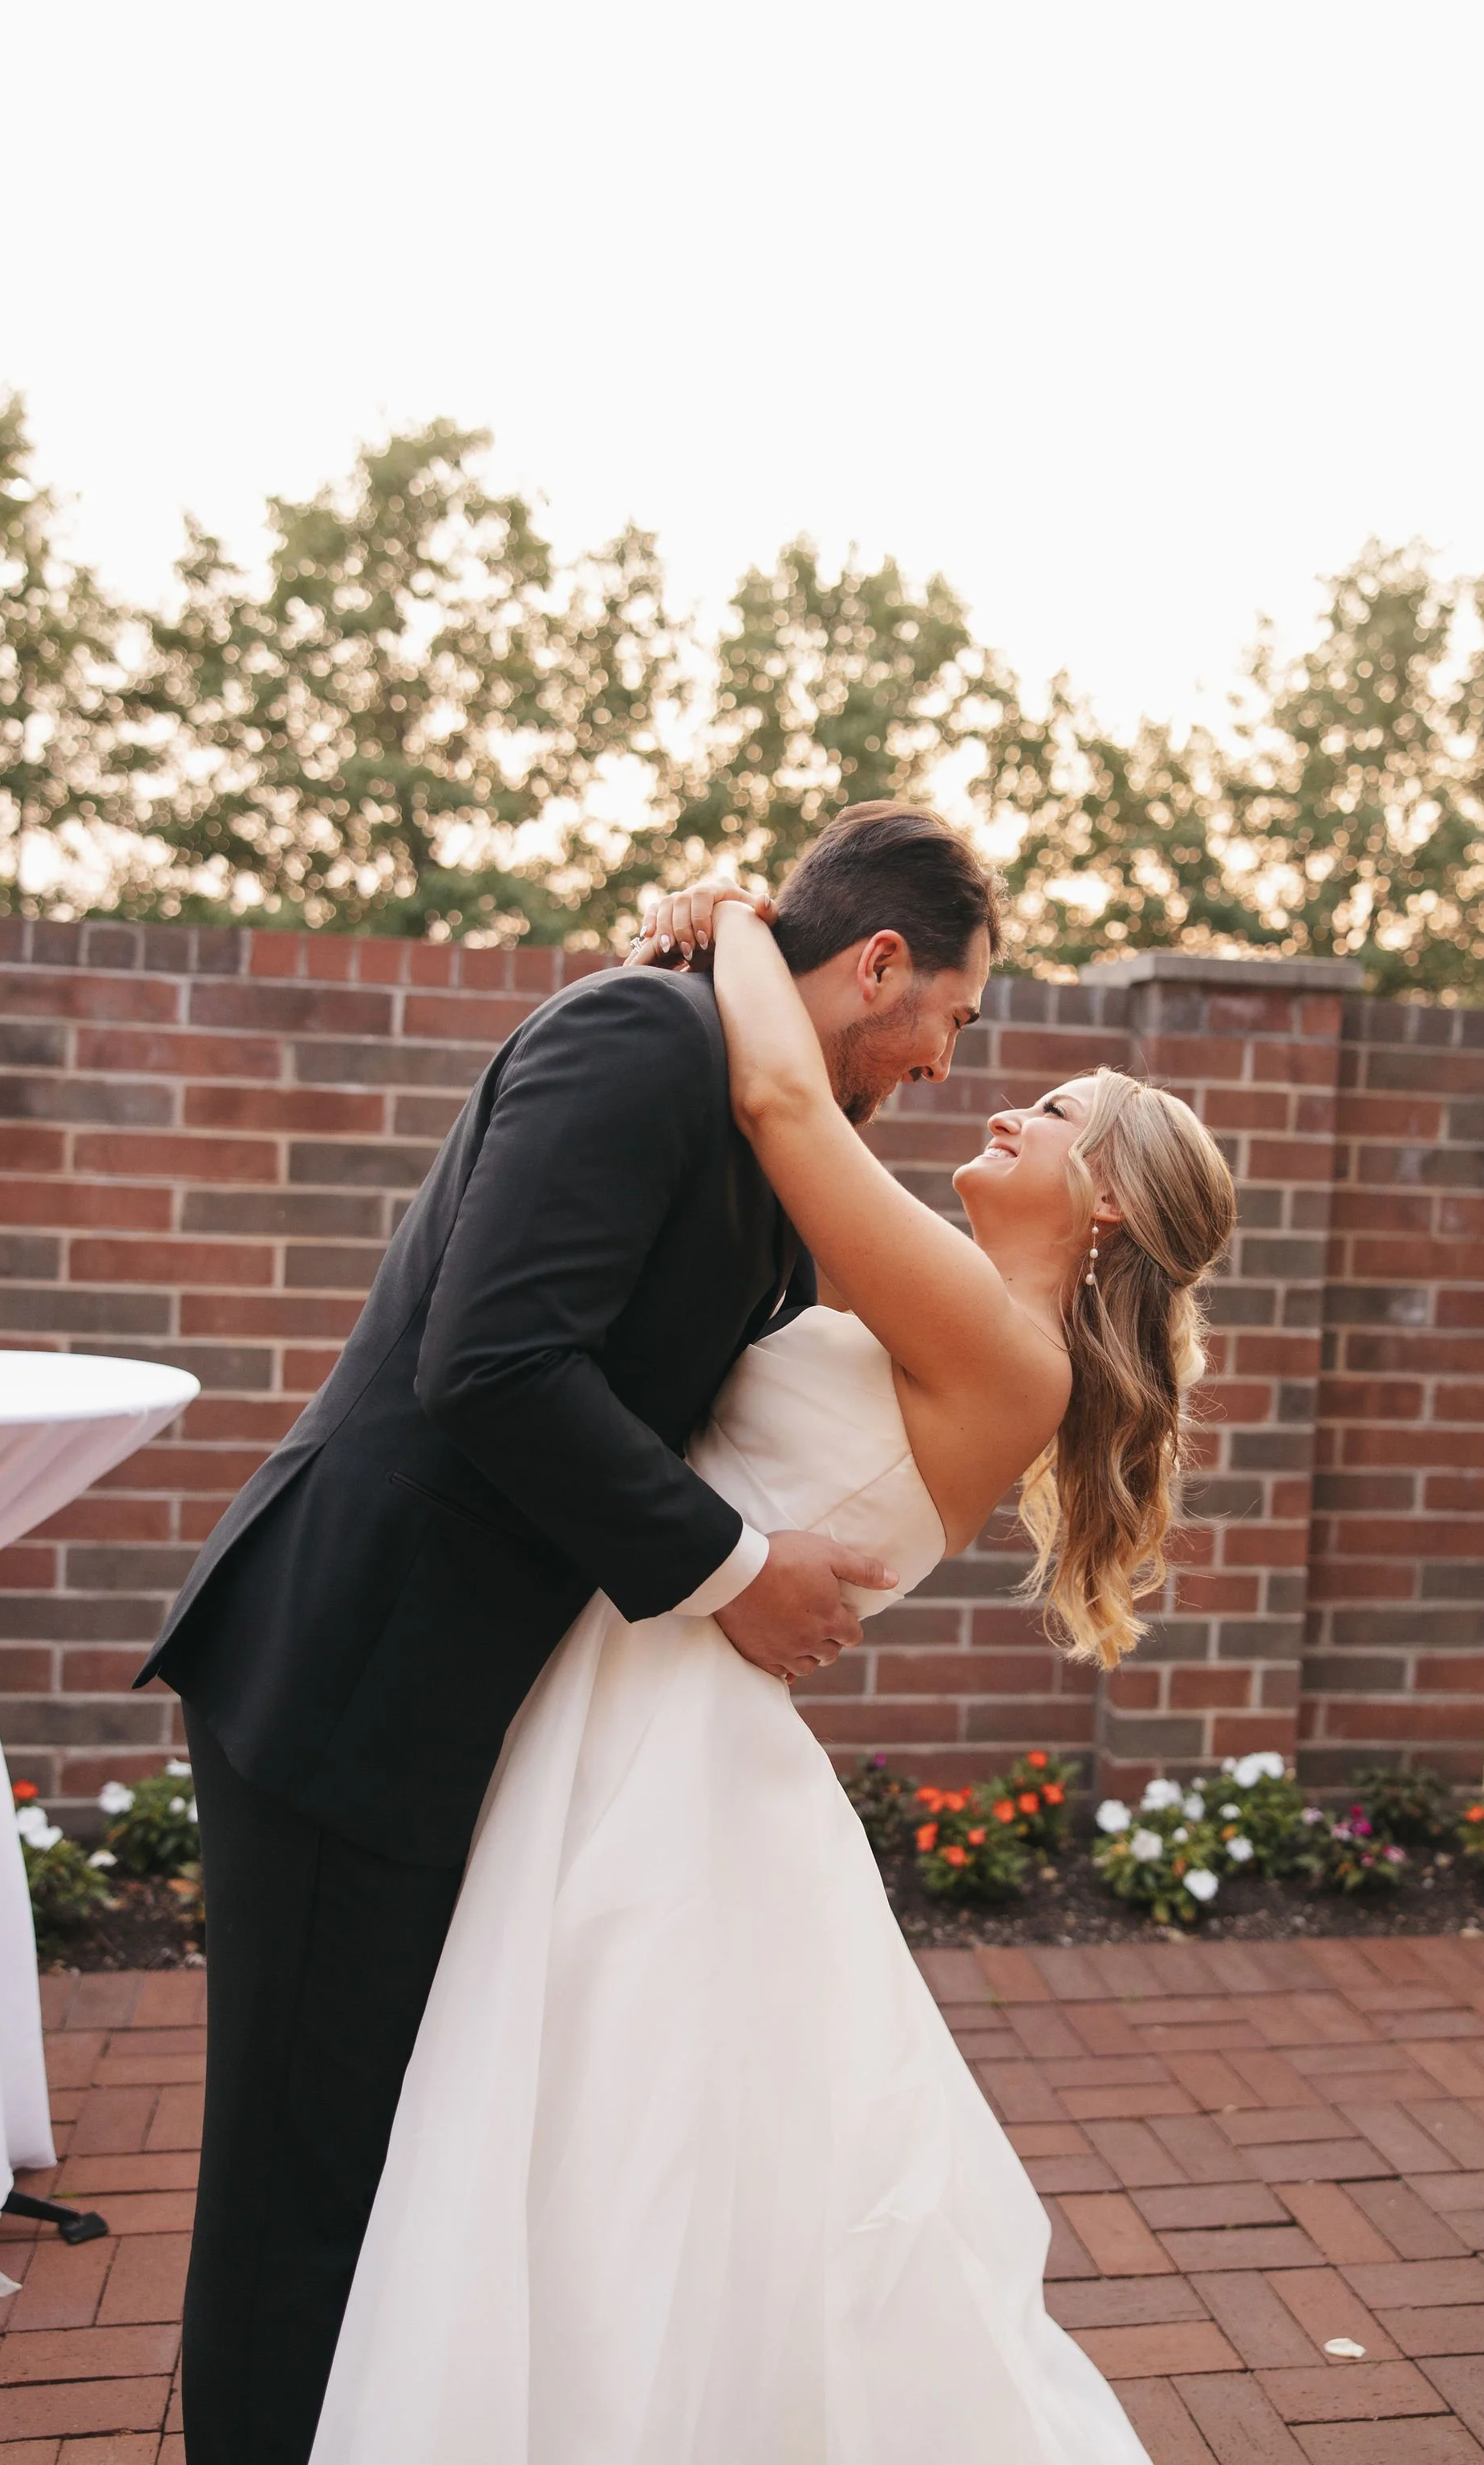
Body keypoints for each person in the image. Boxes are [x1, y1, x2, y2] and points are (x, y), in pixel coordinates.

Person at [308, 883, 1237, 2463]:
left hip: (661, 1732)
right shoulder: (947, 1297)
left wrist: (732, 916)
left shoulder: (1003, 1342)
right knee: (616, 2150)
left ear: (1105, 1218)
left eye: (1060, 1113)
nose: (1004, 1099)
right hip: (646, 1692)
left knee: (606, 2145)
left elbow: (776, 1094)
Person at [133, 802, 997, 2465]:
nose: (948, 1062)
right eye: (951, 1016)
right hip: (351, 1672)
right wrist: (736, 1570)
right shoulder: (639, 1036)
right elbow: (497, 1360)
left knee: (382, 2165)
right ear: (878, 962)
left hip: (456, 1699)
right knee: (298, 2185)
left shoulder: (759, 1102)